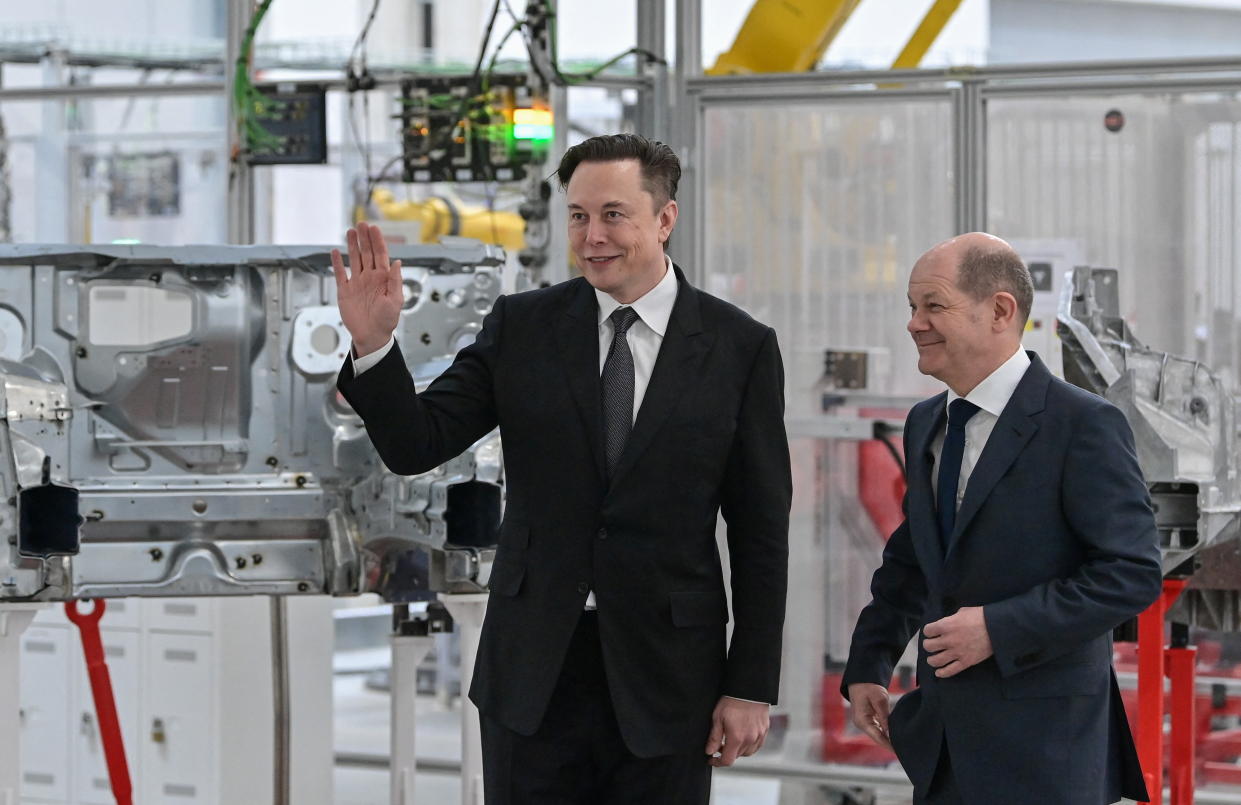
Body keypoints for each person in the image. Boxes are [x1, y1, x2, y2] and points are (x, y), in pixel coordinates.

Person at [332, 133, 791, 804]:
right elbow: (416, 442)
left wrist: (749, 683)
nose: (591, 235)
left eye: (612, 214)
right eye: (577, 215)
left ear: (664, 219)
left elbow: (760, 530)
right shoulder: (522, 327)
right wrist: (374, 345)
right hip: (534, 669)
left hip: (666, 673)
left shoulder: (738, 348)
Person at [841, 233, 1162, 805]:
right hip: (943, 748)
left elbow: (1131, 574)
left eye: (933, 306)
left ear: (1000, 310)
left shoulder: (1082, 425)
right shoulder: (925, 423)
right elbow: (914, 558)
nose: (914, 324)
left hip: (1044, 753)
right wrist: (870, 660)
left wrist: (998, 628)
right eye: (911, 308)